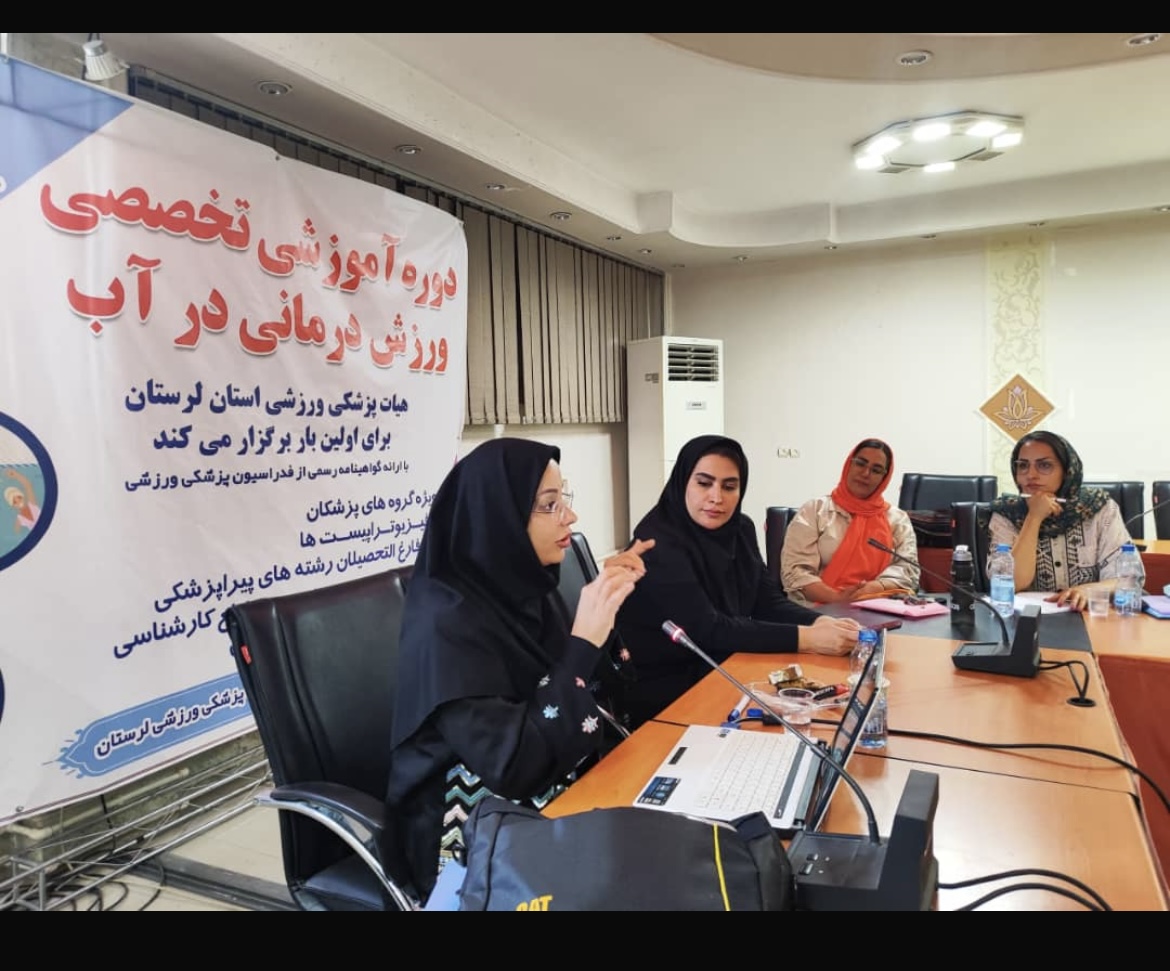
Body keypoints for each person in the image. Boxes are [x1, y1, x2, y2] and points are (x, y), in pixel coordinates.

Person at [385, 438, 653, 903]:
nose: (570, 517)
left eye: (564, 499)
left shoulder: (523, 587)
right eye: (549, 505)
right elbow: (514, 768)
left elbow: (584, 691)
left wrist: (606, 605)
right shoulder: (445, 624)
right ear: (497, 516)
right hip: (466, 836)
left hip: (546, 797)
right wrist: (582, 643)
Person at [615, 434, 859, 729]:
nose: (716, 497)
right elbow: (708, 630)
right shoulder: (656, 542)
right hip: (668, 688)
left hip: (724, 665)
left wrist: (820, 622)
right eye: (704, 483)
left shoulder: (740, 529)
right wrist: (809, 639)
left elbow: (767, 601)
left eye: (729, 486)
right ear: (682, 483)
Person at [987, 430, 1141, 611]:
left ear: (1067, 471)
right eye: (1023, 466)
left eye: (1044, 465)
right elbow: (1012, 583)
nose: (1031, 474)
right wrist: (1034, 517)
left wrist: (1088, 590)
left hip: (1090, 616)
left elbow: (1129, 578)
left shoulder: (1100, 508)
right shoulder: (1006, 513)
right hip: (1026, 619)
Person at [780, 438, 920, 605]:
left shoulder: (897, 519)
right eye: (860, 463)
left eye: (876, 470)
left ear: (884, 478)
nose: (865, 473)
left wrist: (874, 588)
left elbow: (908, 570)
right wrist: (837, 599)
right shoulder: (814, 510)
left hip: (877, 606)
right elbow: (796, 571)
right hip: (817, 609)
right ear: (849, 464)